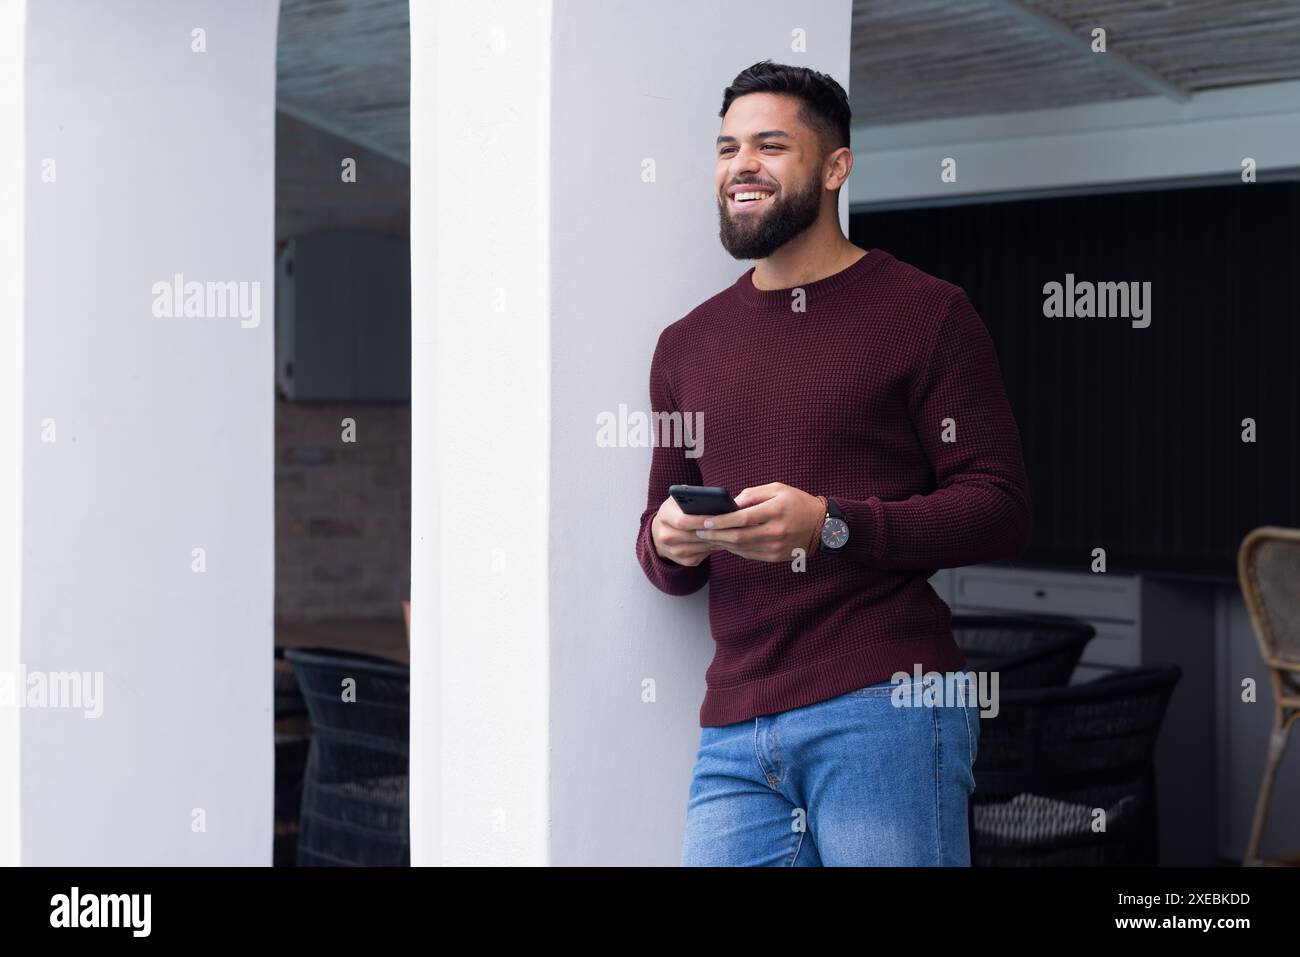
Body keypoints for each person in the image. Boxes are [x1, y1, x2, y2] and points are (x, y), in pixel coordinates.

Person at [634, 60, 1032, 866]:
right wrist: (670, 541)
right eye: (726, 147)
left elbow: (1000, 505)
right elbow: (658, 547)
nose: (741, 165)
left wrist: (833, 524)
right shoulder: (685, 345)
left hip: (887, 703)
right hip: (735, 728)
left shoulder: (927, 314)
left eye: (771, 145)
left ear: (835, 168)